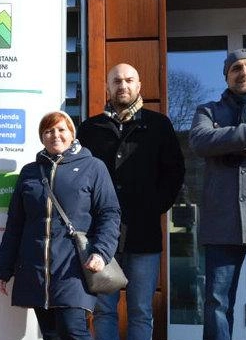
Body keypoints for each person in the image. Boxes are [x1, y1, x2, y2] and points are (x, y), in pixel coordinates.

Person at [77, 63, 185, 340]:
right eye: (116, 81)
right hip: (101, 237)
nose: (122, 85)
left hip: (143, 233)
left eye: (129, 80)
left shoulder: (159, 125)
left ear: (139, 87)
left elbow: (174, 172)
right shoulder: (90, 128)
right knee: (104, 310)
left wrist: (153, 208)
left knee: (140, 310)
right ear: (108, 87)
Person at [0, 111, 121, 340]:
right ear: (42, 137)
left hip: (73, 267)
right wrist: (3, 269)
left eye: (61, 129)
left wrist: (101, 251)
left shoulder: (93, 167)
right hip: (35, 268)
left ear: (72, 134)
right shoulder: (30, 172)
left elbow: (109, 213)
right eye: (48, 131)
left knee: (73, 331)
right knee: (51, 334)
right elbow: (15, 224)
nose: (55, 135)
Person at [189, 49, 246, 340]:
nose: (244, 72)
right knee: (217, 303)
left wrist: (226, 140)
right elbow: (200, 141)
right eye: (236, 68)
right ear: (226, 75)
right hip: (221, 223)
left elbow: (215, 141)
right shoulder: (207, 111)